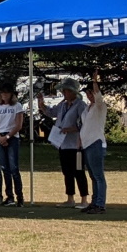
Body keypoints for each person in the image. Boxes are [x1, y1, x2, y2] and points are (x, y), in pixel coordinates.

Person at [40, 78, 91, 209]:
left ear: (73, 91)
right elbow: (51, 113)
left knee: (78, 171)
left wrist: (71, 129)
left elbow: (84, 124)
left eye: (67, 90)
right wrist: (42, 105)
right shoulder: (62, 105)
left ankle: (84, 199)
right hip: (63, 143)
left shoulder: (80, 105)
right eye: (63, 90)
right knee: (67, 171)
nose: (64, 93)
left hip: (76, 144)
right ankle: (70, 198)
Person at [79, 72, 110, 214]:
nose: (89, 95)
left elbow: (98, 96)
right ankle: (95, 201)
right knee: (92, 175)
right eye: (87, 93)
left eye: (90, 92)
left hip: (95, 142)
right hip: (87, 144)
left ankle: (100, 204)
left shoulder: (100, 106)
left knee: (98, 175)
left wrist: (95, 82)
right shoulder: (87, 108)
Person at [0, 86, 26, 206]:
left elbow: (18, 125)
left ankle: (20, 197)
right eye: (2, 93)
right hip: (0, 136)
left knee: (13, 168)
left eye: (6, 93)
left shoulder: (17, 106)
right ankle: (9, 196)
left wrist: (7, 137)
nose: (4, 95)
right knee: (4, 168)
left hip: (12, 137)